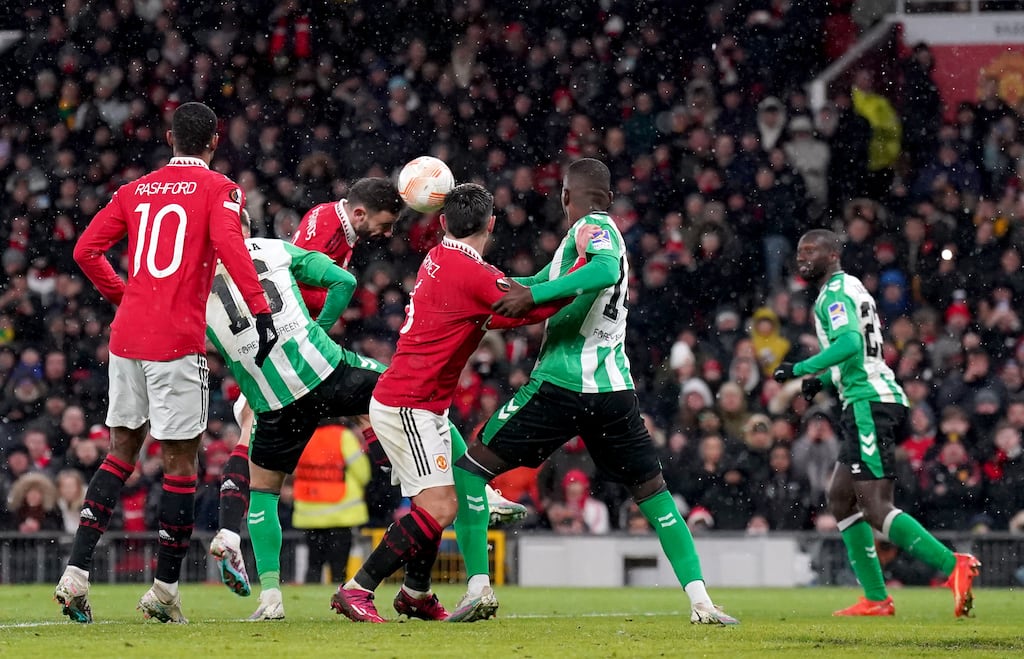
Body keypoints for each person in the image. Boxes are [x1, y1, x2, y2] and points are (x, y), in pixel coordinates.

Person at [454, 158, 739, 625]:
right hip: (614, 393)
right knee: (654, 493)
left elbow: (603, 271)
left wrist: (529, 298)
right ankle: (702, 602)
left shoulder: (593, 229)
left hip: (564, 384)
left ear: (568, 195)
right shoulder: (579, 242)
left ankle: (478, 590)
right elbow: (533, 285)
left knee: (469, 472)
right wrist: (480, 290)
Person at [212, 184, 526, 585]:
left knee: (269, 459)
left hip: (263, 361)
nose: (387, 234)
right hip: (297, 355)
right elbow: (316, 281)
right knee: (408, 396)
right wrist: (317, 332)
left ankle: (243, 558)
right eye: (384, 224)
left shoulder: (211, 271)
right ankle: (469, 495)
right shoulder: (310, 229)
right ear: (359, 214)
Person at [55, 101, 279, 625]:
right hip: (176, 342)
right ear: (214, 141)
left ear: (170, 137)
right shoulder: (220, 189)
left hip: (127, 337)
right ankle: (163, 590)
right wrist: (261, 308)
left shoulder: (137, 189)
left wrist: (126, 295)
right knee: (182, 467)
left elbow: (86, 250)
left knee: (119, 455)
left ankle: (75, 575)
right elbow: (230, 245)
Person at [330, 183, 593, 624]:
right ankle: (357, 589)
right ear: (491, 224)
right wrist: (586, 273)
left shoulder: (440, 257)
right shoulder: (472, 272)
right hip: (409, 405)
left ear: (443, 224)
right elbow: (524, 309)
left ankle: (415, 592)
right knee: (442, 506)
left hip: (418, 403)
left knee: (444, 493)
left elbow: (506, 293)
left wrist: (553, 277)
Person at [773, 229, 981, 617]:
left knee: (874, 505)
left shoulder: (834, 293)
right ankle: (875, 597)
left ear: (833, 254)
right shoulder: (851, 289)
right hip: (865, 397)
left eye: (811, 250)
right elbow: (862, 353)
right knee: (840, 497)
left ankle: (954, 565)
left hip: (869, 402)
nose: (803, 258)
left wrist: (801, 369)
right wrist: (825, 380)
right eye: (799, 251)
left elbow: (851, 343)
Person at [292, 422, 370, 585]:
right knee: (338, 568)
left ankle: (309, 602)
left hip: (309, 511)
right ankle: (336, 601)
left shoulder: (303, 434)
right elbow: (362, 472)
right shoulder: (343, 436)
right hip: (341, 513)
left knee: (313, 565)